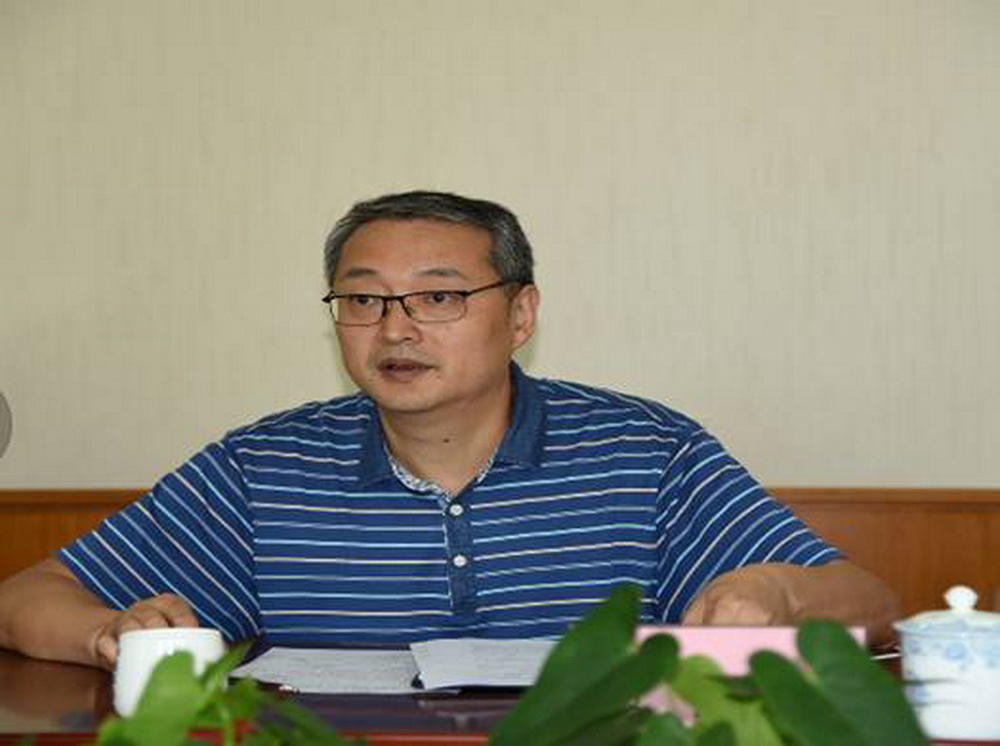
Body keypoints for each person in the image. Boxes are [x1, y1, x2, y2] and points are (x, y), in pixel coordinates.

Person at [0, 191, 900, 670]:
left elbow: (868, 604)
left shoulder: (645, 453)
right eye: (363, 300)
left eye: (438, 297)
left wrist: (778, 593)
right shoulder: (263, 467)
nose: (395, 329)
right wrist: (108, 633)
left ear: (521, 315)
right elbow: (27, 597)